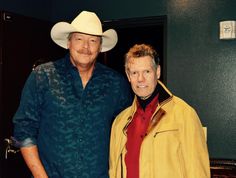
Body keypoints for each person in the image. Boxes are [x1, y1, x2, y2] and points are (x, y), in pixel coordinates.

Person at [13, 11, 133, 178]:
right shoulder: (43, 76)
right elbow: (24, 130)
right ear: (68, 42)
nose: (86, 47)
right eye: (79, 39)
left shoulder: (116, 83)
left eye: (93, 40)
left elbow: (129, 132)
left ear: (100, 47)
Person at [109, 44, 210, 178]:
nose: (140, 79)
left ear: (157, 72)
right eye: (134, 73)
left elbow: (197, 172)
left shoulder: (184, 115)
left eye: (147, 72)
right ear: (128, 76)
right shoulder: (120, 123)